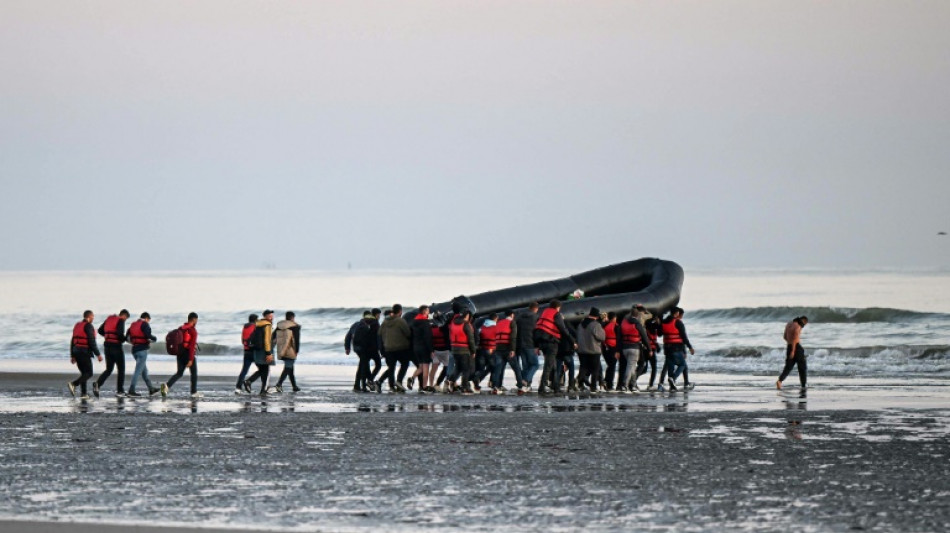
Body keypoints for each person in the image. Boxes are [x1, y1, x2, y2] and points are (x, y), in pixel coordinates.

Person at [534, 300, 576, 395]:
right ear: (558, 307)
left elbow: (538, 328)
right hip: (551, 343)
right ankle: (542, 388)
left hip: (542, 342)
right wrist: (572, 341)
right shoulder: (556, 315)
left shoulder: (544, 313)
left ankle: (556, 387)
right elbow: (563, 329)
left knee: (554, 366)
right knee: (549, 366)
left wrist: (536, 346)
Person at [161, 312, 200, 398]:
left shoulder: (180, 328)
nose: (196, 321)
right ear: (194, 320)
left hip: (179, 353)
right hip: (187, 354)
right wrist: (190, 359)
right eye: (196, 320)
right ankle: (194, 392)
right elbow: (191, 346)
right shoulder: (193, 331)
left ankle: (166, 387)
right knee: (194, 373)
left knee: (179, 373)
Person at [93, 309, 130, 397]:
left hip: (107, 346)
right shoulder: (121, 320)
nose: (125, 320)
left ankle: (98, 384)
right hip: (116, 347)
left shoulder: (109, 319)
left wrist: (108, 336)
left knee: (109, 369)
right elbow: (120, 334)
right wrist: (125, 339)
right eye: (126, 318)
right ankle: (120, 391)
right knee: (121, 369)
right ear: (124, 315)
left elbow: (100, 330)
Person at [659, 307, 695, 392]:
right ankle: (673, 378)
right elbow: (684, 337)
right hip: (676, 348)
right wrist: (690, 347)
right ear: (676, 313)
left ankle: (672, 387)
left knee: (670, 367)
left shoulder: (663, 322)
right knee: (682, 365)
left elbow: (659, 334)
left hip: (667, 349)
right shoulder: (678, 322)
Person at [67, 310, 102, 399]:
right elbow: (91, 341)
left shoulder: (77, 325)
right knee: (89, 373)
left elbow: (73, 341)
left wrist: (72, 355)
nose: (93, 318)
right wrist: (98, 354)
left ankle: (84, 394)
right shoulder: (88, 326)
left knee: (84, 373)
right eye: (93, 316)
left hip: (76, 351)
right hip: (84, 352)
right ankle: (73, 384)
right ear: (89, 317)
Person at [377, 304, 411, 392]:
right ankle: (399, 381)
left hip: (388, 348)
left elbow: (380, 334)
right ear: (400, 311)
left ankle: (387, 384)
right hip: (400, 348)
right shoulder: (400, 321)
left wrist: (382, 349)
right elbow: (408, 333)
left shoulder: (385, 322)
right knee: (405, 364)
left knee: (391, 368)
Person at [492, 310, 527, 394]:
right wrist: (512, 350)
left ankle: (496, 387)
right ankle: (520, 387)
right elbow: (513, 337)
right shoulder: (512, 323)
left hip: (498, 348)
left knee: (499, 369)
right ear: (512, 315)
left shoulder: (499, 322)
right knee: (516, 368)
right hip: (508, 348)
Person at [618, 306, 651, 393]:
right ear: (637, 315)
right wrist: (649, 349)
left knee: (632, 367)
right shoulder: (637, 324)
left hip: (624, 348)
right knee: (630, 367)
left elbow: (619, 336)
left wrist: (618, 350)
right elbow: (644, 337)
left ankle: (633, 385)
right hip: (634, 348)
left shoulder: (624, 323)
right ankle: (624, 385)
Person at [126, 312, 159, 397]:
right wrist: (154, 339)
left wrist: (134, 342)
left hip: (134, 350)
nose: (148, 322)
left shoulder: (133, 324)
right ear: (147, 318)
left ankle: (151, 389)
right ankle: (131, 390)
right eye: (149, 320)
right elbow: (148, 336)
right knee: (138, 371)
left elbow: (127, 338)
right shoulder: (145, 325)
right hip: (142, 351)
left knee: (144, 371)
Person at [244, 310, 275, 396]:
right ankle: (261, 389)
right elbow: (267, 340)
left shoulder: (258, 324)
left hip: (256, 350)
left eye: (272, 315)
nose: (271, 317)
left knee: (262, 370)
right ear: (265, 316)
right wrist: (268, 353)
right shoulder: (267, 325)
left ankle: (252, 384)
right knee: (266, 370)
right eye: (269, 316)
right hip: (264, 350)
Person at [576, 307, 606, 393]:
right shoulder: (596, 325)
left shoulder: (580, 324)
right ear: (596, 316)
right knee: (595, 369)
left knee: (583, 367)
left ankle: (579, 384)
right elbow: (602, 337)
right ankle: (593, 387)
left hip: (582, 350)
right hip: (594, 350)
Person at [347, 311, 378, 392]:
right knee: (364, 366)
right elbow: (367, 339)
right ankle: (364, 385)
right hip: (362, 349)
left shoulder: (356, 324)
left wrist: (347, 348)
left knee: (363, 365)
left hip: (356, 348)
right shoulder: (365, 327)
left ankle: (358, 385)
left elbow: (348, 336)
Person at [447, 310, 477, 394]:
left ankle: (450, 381)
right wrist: (473, 351)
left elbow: (450, 336)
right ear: (467, 316)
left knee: (458, 367)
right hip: (464, 350)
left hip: (454, 349)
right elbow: (471, 339)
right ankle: (465, 387)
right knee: (466, 369)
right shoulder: (466, 324)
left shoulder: (453, 323)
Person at [777, 316, 809, 390]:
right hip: (796, 348)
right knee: (802, 367)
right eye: (805, 324)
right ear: (803, 321)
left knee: (788, 367)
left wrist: (790, 346)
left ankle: (780, 381)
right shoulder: (798, 326)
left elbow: (784, 337)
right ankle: (803, 385)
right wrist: (793, 350)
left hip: (789, 346)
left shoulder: (788, 324)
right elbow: (795, 338)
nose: (803, 326)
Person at [408, 305, 434, 393]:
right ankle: (424, 386)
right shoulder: (425, 322)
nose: (429, 313)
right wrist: (431, 350)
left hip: (416, 347)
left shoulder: (414, 322)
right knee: (426, 367)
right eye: (428, 311)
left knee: (420, 367)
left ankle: (412, 378)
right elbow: (428, 337)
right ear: (424, 311)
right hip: (424, 348)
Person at [274, 311, 301, 393]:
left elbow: (273, 336)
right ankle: (279, 384)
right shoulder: (294, 326)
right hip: (291, 349)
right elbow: (296, 339)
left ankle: (294, 386)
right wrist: (297, 350)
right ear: (292, 317)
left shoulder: (280, 326)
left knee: (290, 367)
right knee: (288, 367)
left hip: (281, 349)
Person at [515, 302, 540, 390]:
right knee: (535, 364)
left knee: (525, 366)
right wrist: (538, 346)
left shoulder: (520, 317)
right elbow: (537, 333)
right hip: (531, 344)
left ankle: (524, 385)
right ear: (536, 309)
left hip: (520, 344)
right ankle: (525, 380)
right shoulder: (536, 317)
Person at [428, 312, 452, 392]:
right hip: (445, 351)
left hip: (435, 351)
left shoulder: (431, 328)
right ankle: (438, 384)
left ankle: (431, 385)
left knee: (433, 369)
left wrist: (431, 350)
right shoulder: (445, 327)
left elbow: (430, 340)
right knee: (446, 368)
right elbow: (448, 339)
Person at [473, 313, 498, 391]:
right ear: (495, 319)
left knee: (480, 368)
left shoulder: (481, 327)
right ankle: (493, 384)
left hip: (481, 349)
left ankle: (476, 382)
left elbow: (477, 337)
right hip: (491, 350)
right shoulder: (496, 327)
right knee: (494, 367)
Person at [236, 314, 259, 394]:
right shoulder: (255, 326)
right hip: (254, 352)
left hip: (246, 351)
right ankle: (249, 381)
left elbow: (243, 340)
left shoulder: (245, 327)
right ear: (256, 320)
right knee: (262, 369)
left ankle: (238, 388)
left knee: (244, 370)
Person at [640, 312, 662, 391]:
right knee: (654, 368)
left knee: (644, 368)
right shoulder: (652, 327)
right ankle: (651, 385)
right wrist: (658, 322)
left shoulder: (645, 327)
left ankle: (633, 380)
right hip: (650, 350)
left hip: (644, 349)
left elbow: (659, 334)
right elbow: (659, 332)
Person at [601, 312, 621, 391]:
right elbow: (619, 339)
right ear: (614, 318)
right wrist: (618, 351)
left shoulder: (604, 325)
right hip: (613, 348)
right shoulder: (616, 326)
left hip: (605, 347)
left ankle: (606, 381)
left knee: (610, 365)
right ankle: (610, 384)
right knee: (612, 366)